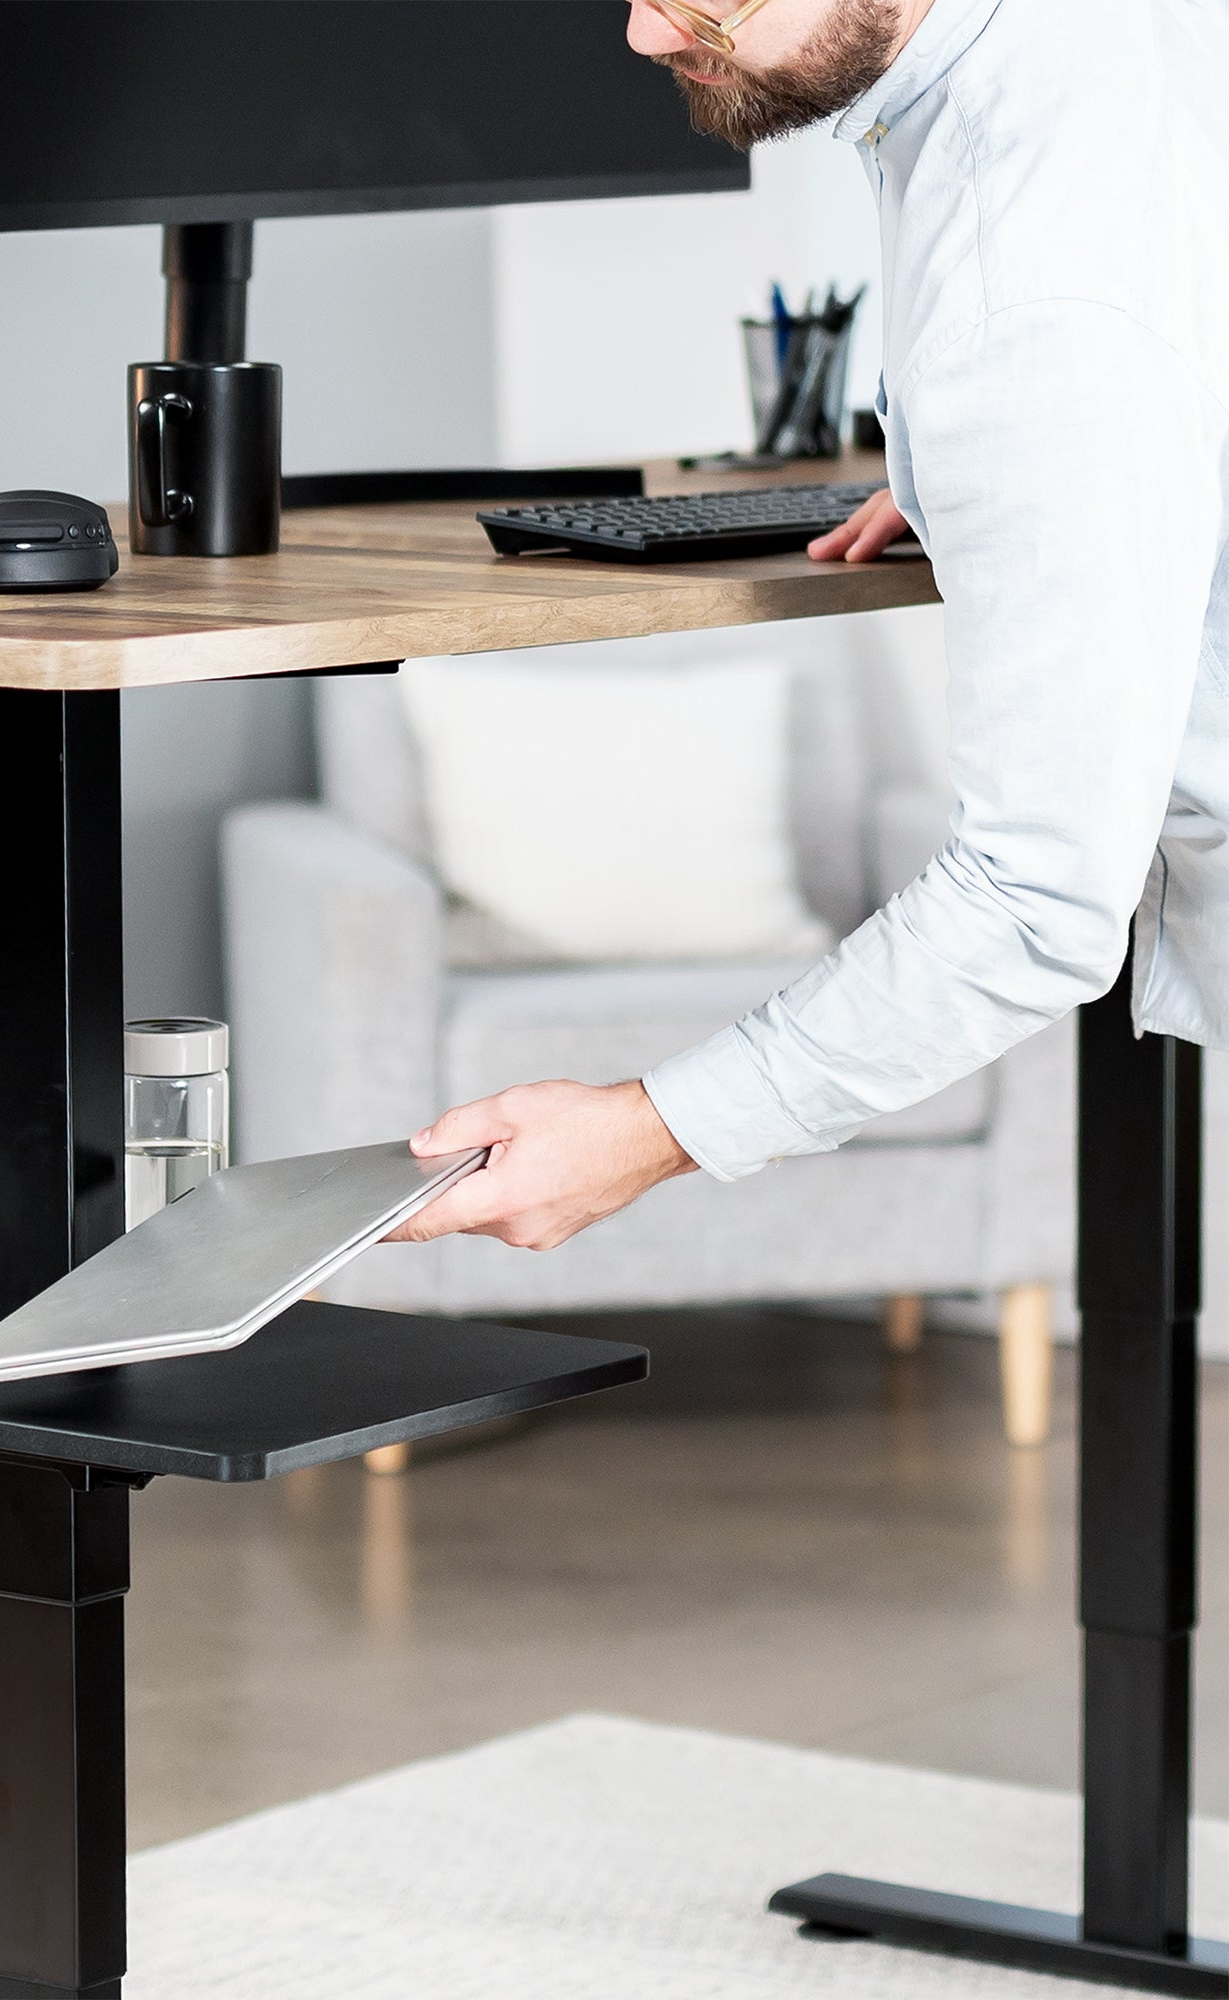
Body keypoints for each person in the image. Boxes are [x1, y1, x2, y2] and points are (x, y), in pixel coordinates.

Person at [393, 0, 1227, 1250]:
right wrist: (1036, 473)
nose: (639, 35)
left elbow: (1032, 903)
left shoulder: (1031, 300)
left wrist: (640, 1131)